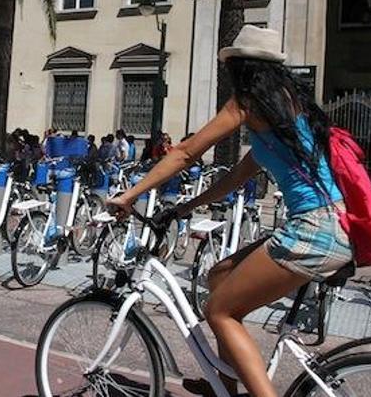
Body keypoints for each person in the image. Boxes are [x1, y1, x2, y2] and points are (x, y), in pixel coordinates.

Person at [107, 26, 348, 397]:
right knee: (219, 277)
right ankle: (225, 385)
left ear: (241, 67)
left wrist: (131, 195)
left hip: (314, 228)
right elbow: (235, 178)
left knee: (219, 311)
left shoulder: (247, 102)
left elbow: (186, 152)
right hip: (330, 223)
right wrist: (186, 206)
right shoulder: (281, 113)